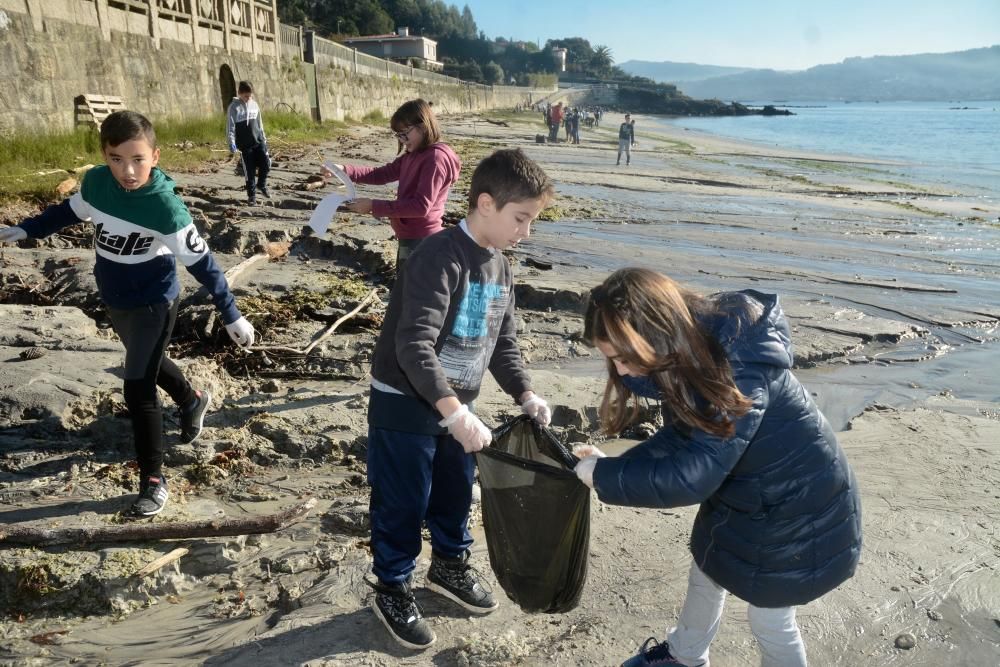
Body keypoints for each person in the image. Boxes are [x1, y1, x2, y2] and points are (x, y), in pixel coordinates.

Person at [576, 268, 862, 667]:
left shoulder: (738, 368)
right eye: (614, 360)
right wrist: (616, 465)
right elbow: (685, 437)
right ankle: (684, 656)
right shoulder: (689, 355)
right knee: (706, 571)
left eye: (625, 358)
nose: (621, 371)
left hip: (799, 513)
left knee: (771, 619)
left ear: (658, 332)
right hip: (745, 497)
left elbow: (693, 476)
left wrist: (605, 478)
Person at [0, 111, 256, 517]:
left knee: (137, 387)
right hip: (115, 299)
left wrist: (230, 312)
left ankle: (154, 480)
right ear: (104, 155)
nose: (128, 171)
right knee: (149, 363)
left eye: (138, 159)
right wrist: (28, 229)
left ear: (154, 156)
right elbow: (70, 211)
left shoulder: (165, 208)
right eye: (117, 159)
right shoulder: (98, 183)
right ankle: (192, 399)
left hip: (154, 302)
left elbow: (203, 263)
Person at [364, 148, 556, 650]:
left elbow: (503, 343)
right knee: (403, 503)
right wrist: (455, 414)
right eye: (522, 219)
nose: (526, 232)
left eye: (532, 221)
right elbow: (413, 346)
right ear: (486, 204)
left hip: (456, 407)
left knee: (453, 494)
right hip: (406, 403)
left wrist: (526, 394)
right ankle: (392, 586)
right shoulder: (439, 255)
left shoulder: (502, 269)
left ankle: (448, 566)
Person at [322, 98, 460, 275]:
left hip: (422, 239)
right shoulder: (413, 155)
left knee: (411, 294)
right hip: (409, 235)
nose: (402, 140)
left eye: (405, 133)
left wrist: (373, 206)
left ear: (424, 126)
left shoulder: (435, 159)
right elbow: (382, 174)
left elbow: (420, 207)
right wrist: (343, 170)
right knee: (406, 290)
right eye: (398, 135)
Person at [226, 80, 270, 206]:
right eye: (246, 96)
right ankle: (252, 196)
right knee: (249, 172)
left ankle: (261, 185)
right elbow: (230, 127)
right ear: (240, 93)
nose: (248, 98)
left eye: (250, 96)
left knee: (266, 164)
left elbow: (260, 124)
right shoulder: (233, 108)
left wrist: (264, 140)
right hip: (245, 146)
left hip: (258, 141)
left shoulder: (255, 105)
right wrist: (232, 143)